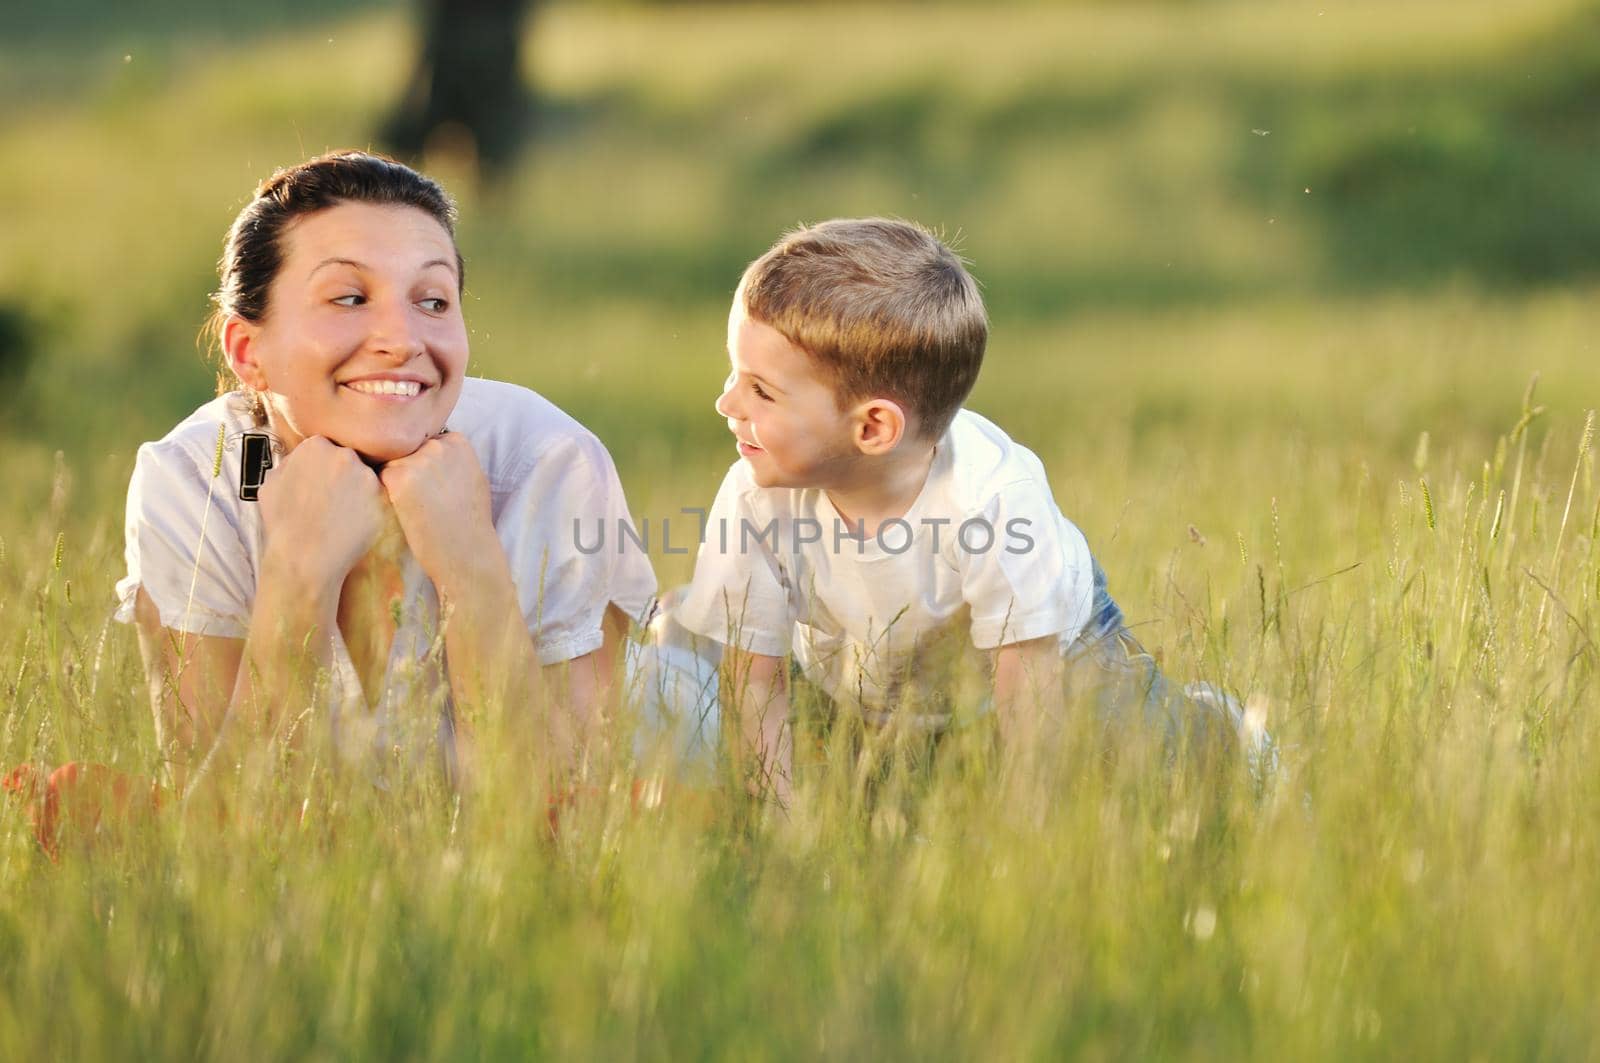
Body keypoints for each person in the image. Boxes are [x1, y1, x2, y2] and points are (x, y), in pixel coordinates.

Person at [668, 218, 1270, 804]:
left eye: (761, 391)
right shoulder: (754, 495)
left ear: (874, 426)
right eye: (734, 373)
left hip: (1050, 652)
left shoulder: (994, 502)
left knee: (1135, 760)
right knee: (858, 786)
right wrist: (781, 824)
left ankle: (1221, 738)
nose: (726, 402)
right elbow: (755, 682)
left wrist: (1017, 849)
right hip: (860, 672)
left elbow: (1029, 700)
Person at [113, 150, 658, 795]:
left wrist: (471, 565)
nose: (402, 339)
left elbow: (566, 830)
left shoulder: (548, 464)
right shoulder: (191, 482)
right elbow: (220, 838)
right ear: (248, 351)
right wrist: (298, 573)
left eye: (432, 302)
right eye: (349, 298)